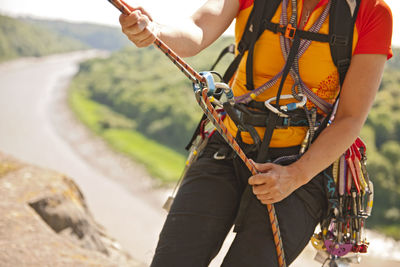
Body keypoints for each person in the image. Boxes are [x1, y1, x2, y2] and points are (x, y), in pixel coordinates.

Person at [119, 0, 393, 266]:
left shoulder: (371, 13)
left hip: (301, 166)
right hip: (229, 145)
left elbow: (350, 117)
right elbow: (197, 29)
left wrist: (294, 176)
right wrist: (156, 30)